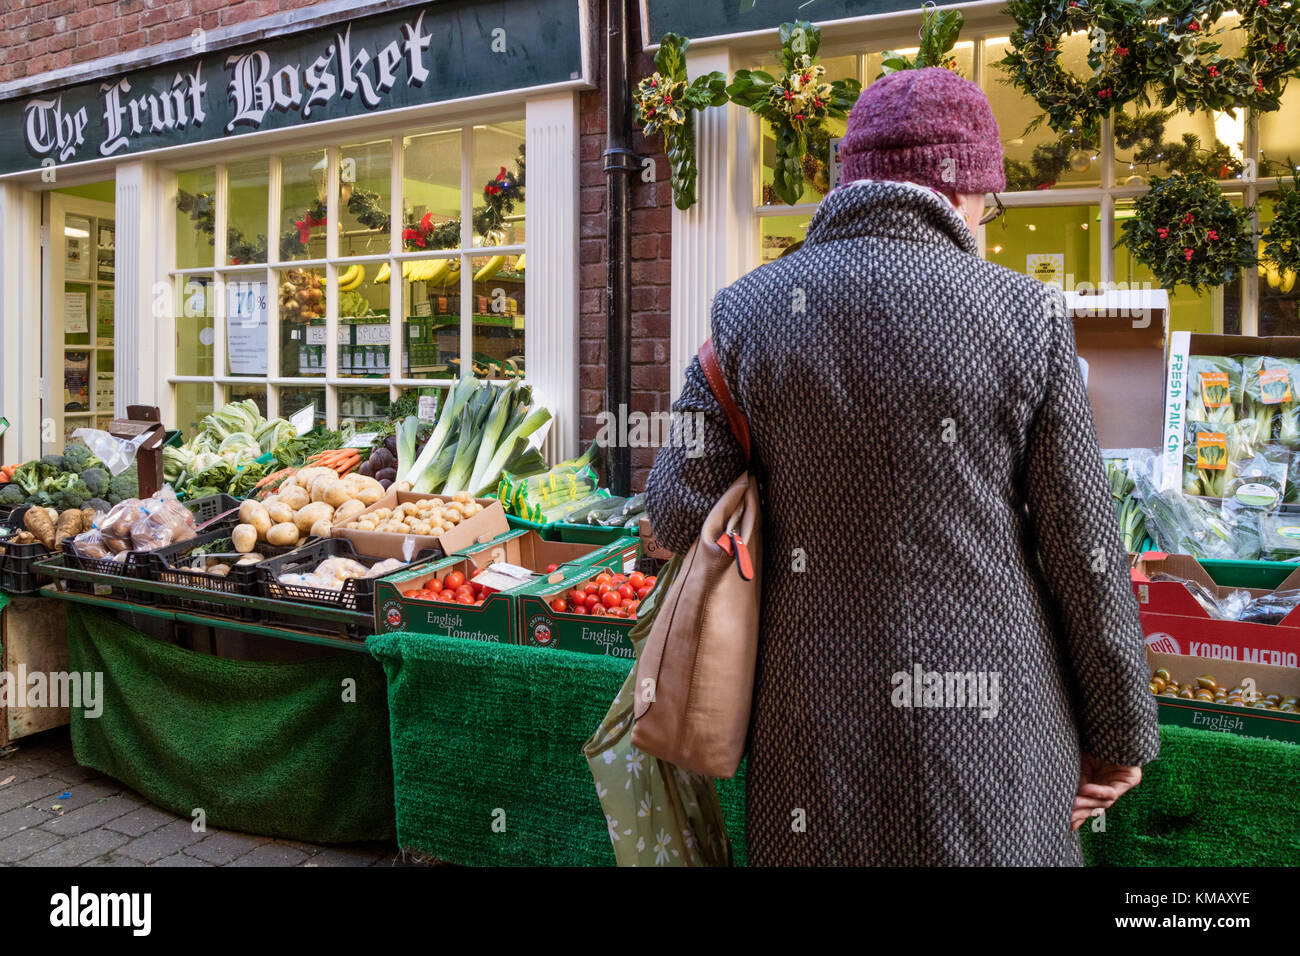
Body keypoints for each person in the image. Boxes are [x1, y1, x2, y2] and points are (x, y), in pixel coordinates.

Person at [643, 67, 1159, 866]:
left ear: (852, 179)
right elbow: (1084, 552)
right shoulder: (1028, 315)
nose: (986, 219)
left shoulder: (743, 313)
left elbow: (678, 512)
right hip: (995, 733)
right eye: (990, 203)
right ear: (963, 191)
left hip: (811, 726)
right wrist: (1120, 731)